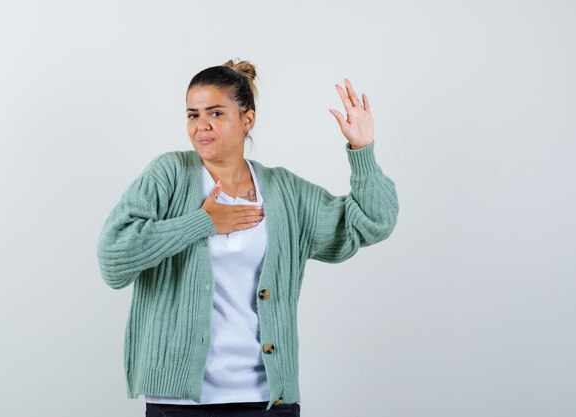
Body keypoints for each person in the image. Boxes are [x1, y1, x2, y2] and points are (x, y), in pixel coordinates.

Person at [96, 58, 399, 417]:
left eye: (216, 113)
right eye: (192, 115)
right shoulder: (169, 174)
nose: (201, 125)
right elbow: (113, 257)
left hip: (266, 399)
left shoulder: (284, 191)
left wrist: (362, 150)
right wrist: (202, 222)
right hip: (180, 403)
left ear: (247, 119)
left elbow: (373, 222)